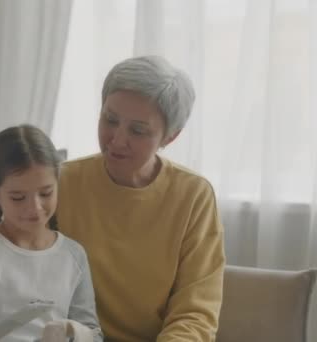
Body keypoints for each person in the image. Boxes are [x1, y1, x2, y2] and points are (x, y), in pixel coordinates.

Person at [56, 56, 225, 341]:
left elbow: (195, 313)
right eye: (110, 120)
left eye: (137, 130)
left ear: (169, 137)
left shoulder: (193, 195)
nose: (116, 140)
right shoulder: (61, 182)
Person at [0, 124, 103, 341]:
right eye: (18, 197)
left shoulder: (74, 255)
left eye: (45, 193)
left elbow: (94, 336)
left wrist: (71, 330)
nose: (35, 208)